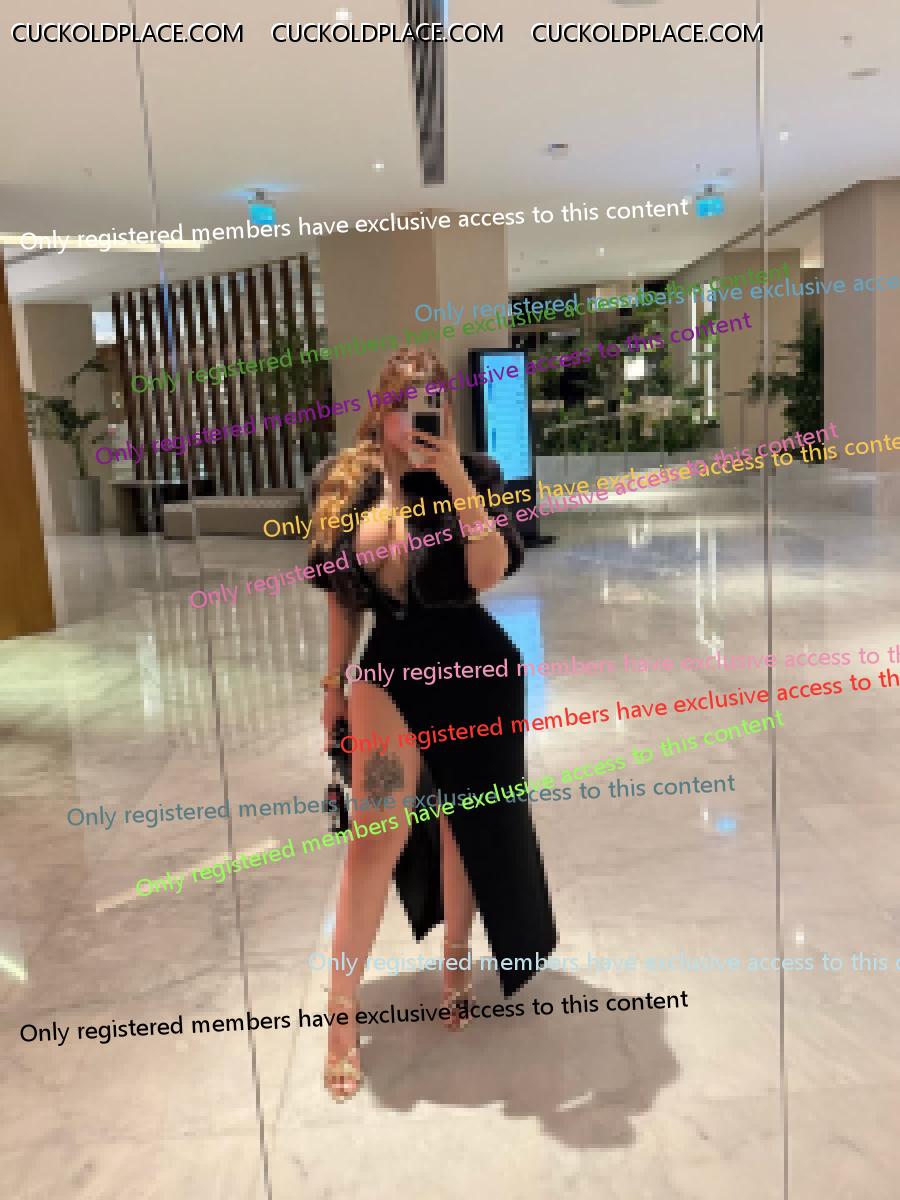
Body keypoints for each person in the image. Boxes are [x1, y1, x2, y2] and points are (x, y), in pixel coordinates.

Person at [306, 346, 557, 1101]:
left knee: (465, 826)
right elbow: (343, 598)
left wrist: (454, 480)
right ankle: (340, 1006)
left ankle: (456, 957)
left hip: (476, 670)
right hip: (390, 671)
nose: (417, 414)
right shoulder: (344, 483)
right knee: (373, 836)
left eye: (432, 400)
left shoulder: (475, 474)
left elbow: (487, 573)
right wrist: (333, 684)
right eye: (403, 401)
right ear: (379, 409)